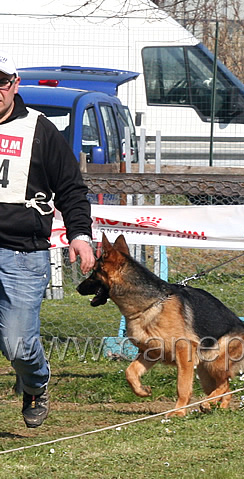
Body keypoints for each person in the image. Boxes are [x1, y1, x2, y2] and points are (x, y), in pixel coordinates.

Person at [0, 51, 95, 428]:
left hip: (23, 253)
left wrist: (80, 236)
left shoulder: (40, 130)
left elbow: (71, 189)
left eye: (1, 82)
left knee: (18, 346)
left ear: (14, 85)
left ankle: (36, 385)